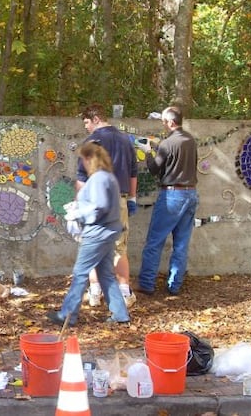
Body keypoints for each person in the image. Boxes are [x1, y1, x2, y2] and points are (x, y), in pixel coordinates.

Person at [47, 142, 130, 327]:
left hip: (97, 233)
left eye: (83, 159)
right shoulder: (109, 177)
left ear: (90, 158)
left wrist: (77, 213)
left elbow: (98, 206)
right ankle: (120, 315)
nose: (82, 163)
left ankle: (67, 315)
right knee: (106, 275)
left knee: (80, 273)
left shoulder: (99, 178)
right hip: (108, 231)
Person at [76, 104, 138, 308]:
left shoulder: (91, 142)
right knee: (119, 247)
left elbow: (82, 178)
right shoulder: (125, 140)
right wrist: (132, 198)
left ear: (95, 119)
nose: (86, 127)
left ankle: (95, 292)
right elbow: (132, 174)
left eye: (86, 122)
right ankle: (124, 293)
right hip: (118, 199)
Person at [135, 106, 199, 296]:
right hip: (191, 193)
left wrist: (147, 151)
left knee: (155, 241)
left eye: (163, 122)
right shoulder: (190, 141)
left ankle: (147, 284)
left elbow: (155, 169)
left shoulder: (167, 143)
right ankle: (174, 285)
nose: (163, 125)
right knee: (181, 243)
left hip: (172, 195)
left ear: (171, 122)